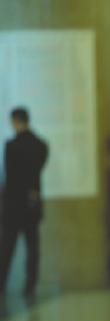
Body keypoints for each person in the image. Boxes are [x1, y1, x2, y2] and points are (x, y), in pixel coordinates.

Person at [0, 108, 48, 297]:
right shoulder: (41, 145)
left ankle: (1, 283)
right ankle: (30, 285)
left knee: (7, 248)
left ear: (15, 121)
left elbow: (11, 177)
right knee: (32, 247)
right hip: (31, 202)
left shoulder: (11, 146)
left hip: (14, 204)